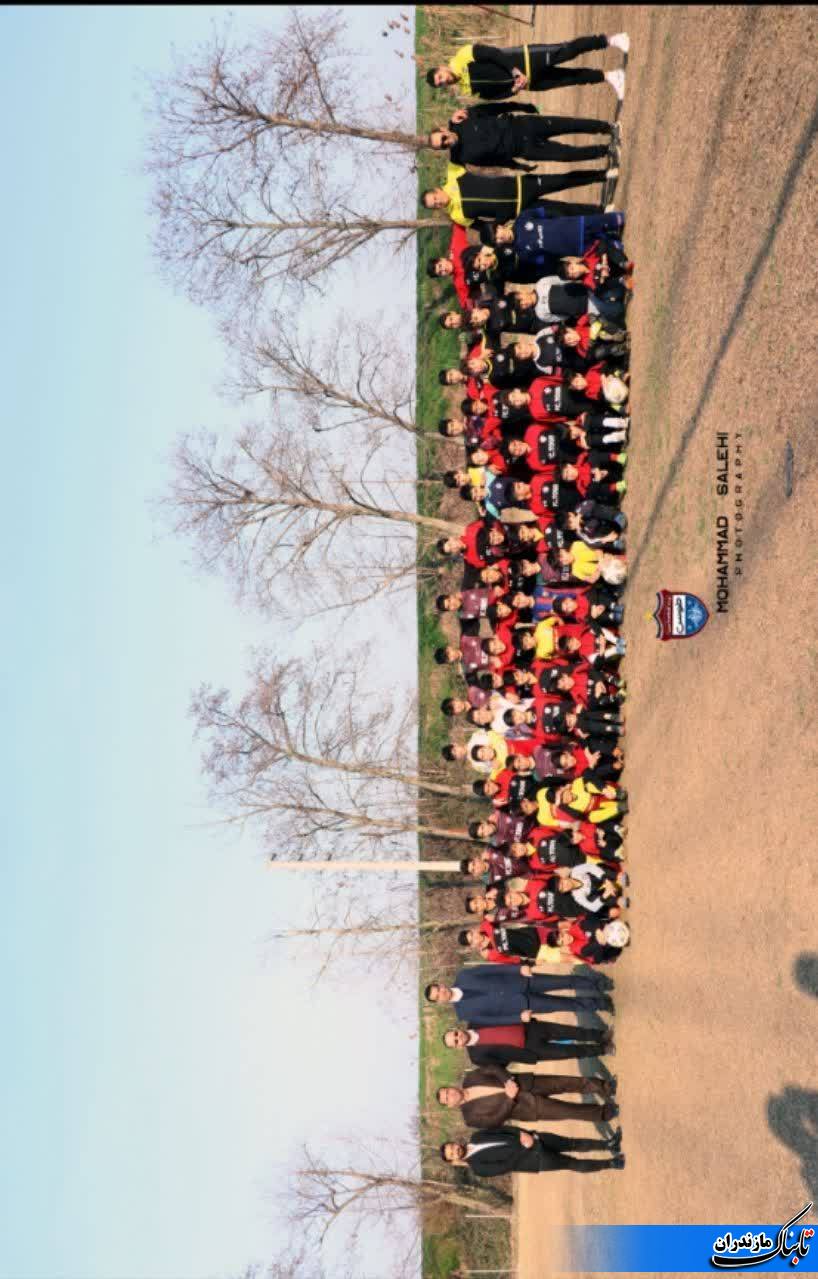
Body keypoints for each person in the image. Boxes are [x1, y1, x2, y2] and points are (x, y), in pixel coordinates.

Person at [426, 34, 629, 101]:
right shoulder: (465, 89)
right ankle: (611, 76)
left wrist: (515, 71)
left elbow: (494, 54)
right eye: (441, 84)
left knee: (567, 51)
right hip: (530, 83)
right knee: (570, 78)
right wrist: (514, 90)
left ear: (442, 68)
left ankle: (610, 40)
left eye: (440, 77)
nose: (444, 81)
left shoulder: (463, 56)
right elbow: (494, 96)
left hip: (526, 59)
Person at [429, 103, 614, 169]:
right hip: (525, 149)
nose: (446, 143)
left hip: (524, 125)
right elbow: (493, 161)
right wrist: (517, 166)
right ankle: (606, 151)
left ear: (443, 130)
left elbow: (495, 108)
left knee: (569, 125)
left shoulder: (464, 117)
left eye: (443, 139)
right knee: (566, 155)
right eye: (442, 146)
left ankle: (607, 128)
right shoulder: (461, 157)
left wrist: (521, 106)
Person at [423, 165, 612, 229]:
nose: (438, 202)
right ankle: (601, 211)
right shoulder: (457, 216)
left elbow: (455, 146)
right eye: (435, 205)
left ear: (437, 190)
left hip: (521, 186)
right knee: (561, 211)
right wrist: (502, 219)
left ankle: (602, 175)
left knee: (562, 180)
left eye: (435, 198)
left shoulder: (454, 176)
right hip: (520, 209)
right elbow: (484, 228)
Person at [424, 964, 611, 1025]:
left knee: (563, 981)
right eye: (437, 996)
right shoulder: (463, 1014)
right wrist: (518, 1018)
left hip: (522, 980)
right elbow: (494, 1021)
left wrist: (517, 969)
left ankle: (598, 984)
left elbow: (493, 970)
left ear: (441, 984)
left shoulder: (464, 976)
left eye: (438, 989)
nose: (441, 993)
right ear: (439, 1002)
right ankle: (600, 1004)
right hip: (523, 1006)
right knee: (565, 1005)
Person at [436, 1065, 618, 1125]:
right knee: (568, 1110)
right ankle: (604, 1113)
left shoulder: (470, 1078)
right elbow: (494, 1120)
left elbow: (492, 1068)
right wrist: (510, 1098)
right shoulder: (470, 1117)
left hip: (526, 1083)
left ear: (451, 1087)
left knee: (565, 1082)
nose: (450, 1095)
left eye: (447, 1091)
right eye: (447, 1099)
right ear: (450, 1105)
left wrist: (507, 1080)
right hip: (527, 1108)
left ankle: (604, 1087)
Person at [442, 1126, 624, 1175]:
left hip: (535, 1138)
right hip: (534, 1160)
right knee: (572, 1163)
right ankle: (612, 1163)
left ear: (454, 1143)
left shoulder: (476, 1136)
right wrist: (525, 1148)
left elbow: (503, 1129)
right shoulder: (477, 1168)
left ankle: (609, 1145)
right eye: (451, 1154)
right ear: (453, 1160)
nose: (455, 1150)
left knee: (572, 1143)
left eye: (452, 1147)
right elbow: (505, 1166)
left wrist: (523, 1133)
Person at [442, 1021, 614, 1068]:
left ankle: (601, 1035)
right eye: (455, 1041)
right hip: (529, 1051)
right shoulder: (476, 1057)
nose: (459, 1037)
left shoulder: (475, 1021)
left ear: (457, 1029)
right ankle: (602, 1049)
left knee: (568, 1031)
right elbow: (500, 1065)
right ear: (458, 1047)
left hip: (530, 1028)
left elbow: (499, 1012)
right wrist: (511, 1052)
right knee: (568, 1052)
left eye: (455, 1034)